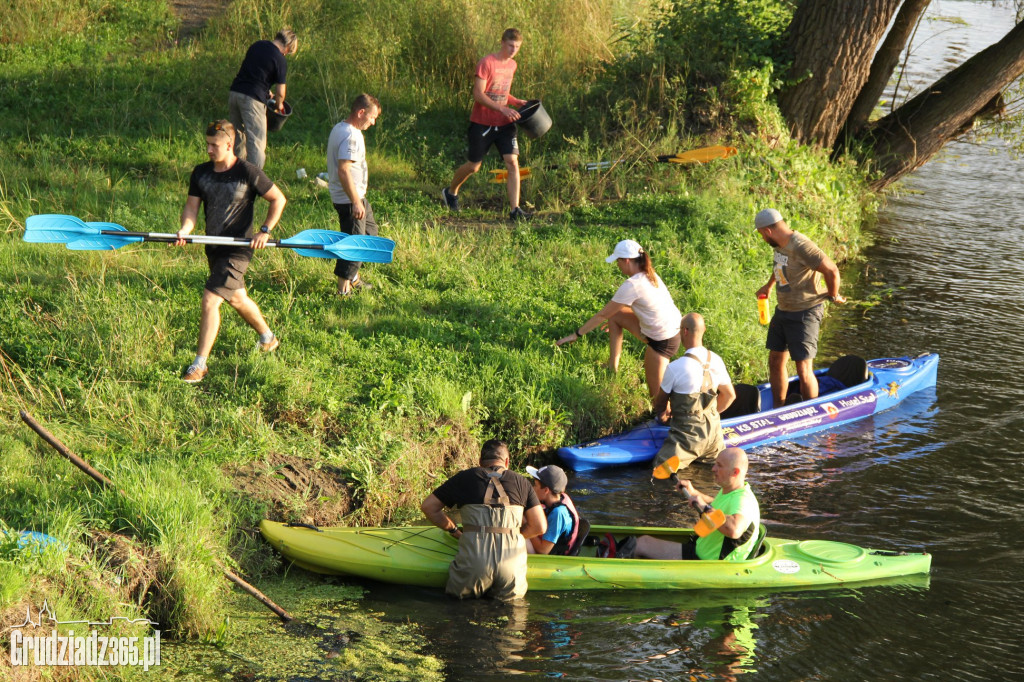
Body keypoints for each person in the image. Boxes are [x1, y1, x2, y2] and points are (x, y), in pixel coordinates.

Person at [176, 120, 286, 384]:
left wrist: (265, 230)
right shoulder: (201, 173)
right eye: (207, 144)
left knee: (210, 300)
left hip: (238, 249)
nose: (209, 150)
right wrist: (185, 229)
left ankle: (199, 365)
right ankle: (268, 338)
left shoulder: (247, 171)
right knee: (236, 297)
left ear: (229, 144)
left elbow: (278, 199)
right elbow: (192, 208)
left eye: (214, 145)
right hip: (212, 247)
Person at [420, 439, 547, 600]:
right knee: (512, 617)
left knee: (461, 613)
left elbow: (429, 507)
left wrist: (453, 529)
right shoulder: (522, 482)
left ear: (480, 462)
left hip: (474, 562)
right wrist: (515, 537)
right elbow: (539, 526)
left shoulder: (464, 478)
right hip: (511, 563)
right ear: (507, 461)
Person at [556, 239, 683, 398]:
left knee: (657, 400)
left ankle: (668, 419)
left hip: (662, 342)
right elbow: (644, 306)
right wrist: (617, 320)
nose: (617, 265)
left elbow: (602, 315)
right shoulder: (650, 274)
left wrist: (576, 334)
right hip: (672, 331)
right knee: (616, 314)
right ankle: (612, 368)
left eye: (618, 261)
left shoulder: (632, 285)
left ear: (627, 261)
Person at [753, 208, 846, 407]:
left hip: (805, 311)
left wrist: (833, 295)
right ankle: (779, 407)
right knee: (776, 360)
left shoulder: (802, 246)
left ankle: (811, 411)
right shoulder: (779, 244)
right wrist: (769, 286)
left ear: (768, 231)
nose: (762, 238)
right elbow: (780, 265)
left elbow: (832, 270)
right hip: (784, 310)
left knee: (803, 368)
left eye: (761, 234)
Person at [441, 28, 532, 222]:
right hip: (482, 122)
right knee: (474, 166)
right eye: (510, 45)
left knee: (512, 162)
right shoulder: (486, 63)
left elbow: (501, 92)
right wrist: (502, 108)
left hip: (505, 123)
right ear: (502, 42)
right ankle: (451, 192)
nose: (513, 50)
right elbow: (479, 94)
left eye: (517, 47)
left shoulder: (512, 65)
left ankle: (515, 210)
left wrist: (515, 102)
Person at [651, 313, 737, 480]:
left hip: (687, 439)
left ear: (684, 331)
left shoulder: (675, 367)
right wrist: (708, 416)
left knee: (659, 473)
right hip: (714, 438)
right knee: (713, 477)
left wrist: (663, 417)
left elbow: (660, 403)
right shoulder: (717, 360)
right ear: (703, 330)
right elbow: (729, 396)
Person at [635, 447, 760, 561]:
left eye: (719, 465)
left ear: (735, 472)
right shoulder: (731, 491)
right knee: (642, 541)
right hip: (699, 550)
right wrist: (694, 492)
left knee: (640, 546)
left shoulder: (743, 500)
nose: (713, 469)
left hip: (708, 564)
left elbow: (734, 530)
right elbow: (717, 505)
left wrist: (705, 508)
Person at [327, 94, 381, 296]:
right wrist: (356, 202)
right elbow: (343, 170)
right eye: (372, 117)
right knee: (355, 243)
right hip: (350, 200)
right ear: (361, 112)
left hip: (356, 198)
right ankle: (343, 291)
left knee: (369, 235)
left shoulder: (340, 128)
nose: (373, 122)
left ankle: (354, 277)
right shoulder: (350, 135)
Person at [228, 28, 298, 169]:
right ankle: (254, 179)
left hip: (235, 93)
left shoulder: (257, 45)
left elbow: (255, 75)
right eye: (288, 52)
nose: (286, 55)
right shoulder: (280, 59)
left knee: (238, 137)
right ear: (288, 47)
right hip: (252, 101)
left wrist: (267, 93)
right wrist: (279, 106)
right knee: (256, 142)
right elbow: (281, 93)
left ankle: (235, 173)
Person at [524, 465, 580, 555]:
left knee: (517, 536)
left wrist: (527, 525)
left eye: (535, 485)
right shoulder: (560, 498)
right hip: (544, 548)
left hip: (550, 558)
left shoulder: (558, 513)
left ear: (546, 490)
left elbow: (543, 551)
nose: (533, 488)